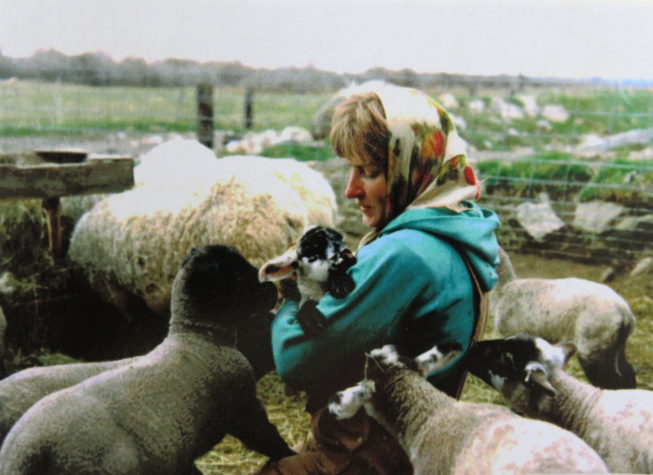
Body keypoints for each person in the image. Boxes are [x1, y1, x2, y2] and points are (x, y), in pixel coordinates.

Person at [258, 85, 500, 474]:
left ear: (413, 168)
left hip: (373, 453)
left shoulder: (403, 254)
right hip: (424, 438)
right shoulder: (457, 230)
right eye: (350, 170)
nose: (351, 190)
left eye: (369, 173)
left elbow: (293, 358)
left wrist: (292, 293)